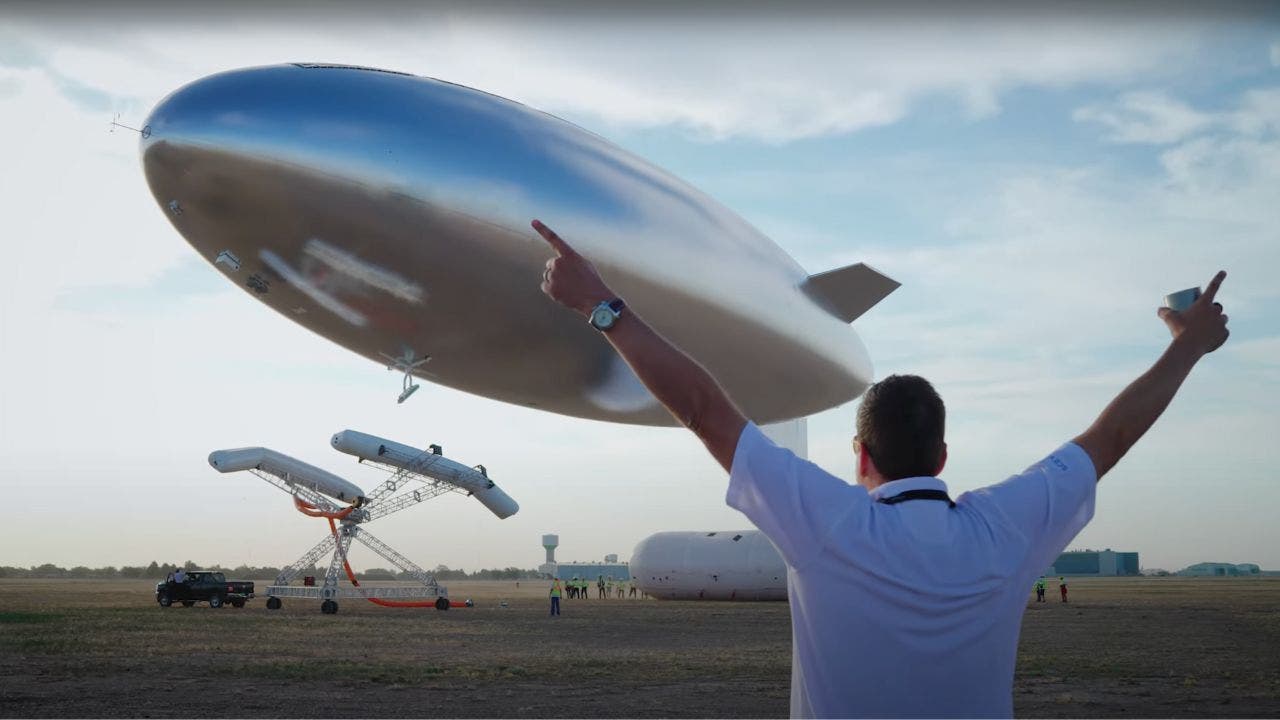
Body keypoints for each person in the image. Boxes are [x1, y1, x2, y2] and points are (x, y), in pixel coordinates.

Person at [533, 219, 1230, 718]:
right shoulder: (1006, 527)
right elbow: (1112, 435)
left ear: (860, 455)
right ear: (944, 456)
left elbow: (702, 408)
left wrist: (600, 304)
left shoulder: (829, 523)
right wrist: (1188, 348)